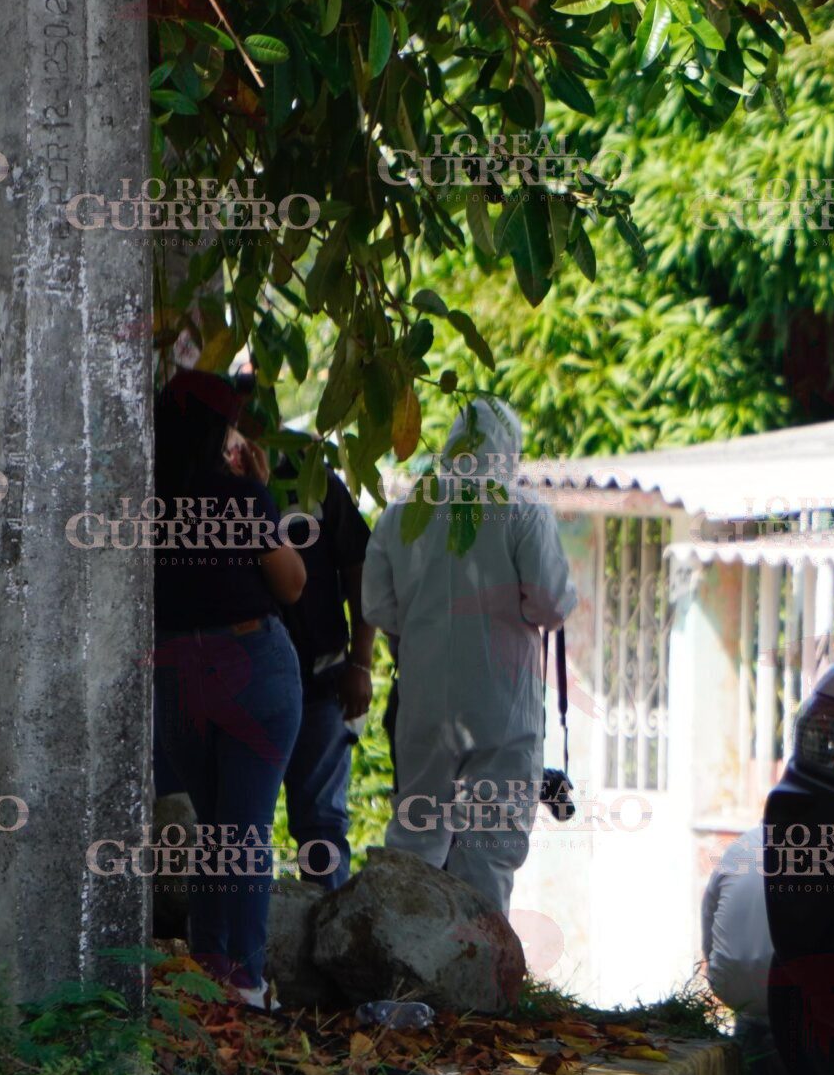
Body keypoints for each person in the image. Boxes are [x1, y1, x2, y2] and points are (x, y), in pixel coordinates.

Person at [363, 396, 575, 914]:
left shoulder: (400, 513)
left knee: (415, 839)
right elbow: (550, 603)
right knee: (490, 850)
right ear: (511, 449)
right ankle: (478, 982)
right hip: (502, 708)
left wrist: (426, 629)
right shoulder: (522, 510)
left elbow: (378, 606)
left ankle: (402, 969)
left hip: (423, 704)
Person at [150, 370, 307, 1006]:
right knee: (244, 832)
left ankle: (208, 968)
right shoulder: (240, 497)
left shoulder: (144, 498)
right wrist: (260, 495)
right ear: (218, 431)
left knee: (215, 826)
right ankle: (246, 979)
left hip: (176, 669)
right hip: (250, 665)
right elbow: (291, 583)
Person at [230, 376, 374, 889]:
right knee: (242, 829)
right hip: (245, 684)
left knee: (321, 827)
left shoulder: (313, 478)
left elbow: (360, 564)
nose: (249, 429)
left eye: (257, 417)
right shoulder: (213, 486)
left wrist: (361, 661)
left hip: (320, 678)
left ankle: (328, 941)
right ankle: (253, 953)